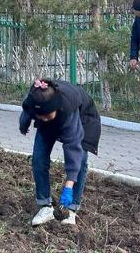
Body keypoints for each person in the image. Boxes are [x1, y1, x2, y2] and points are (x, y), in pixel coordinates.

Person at [19, 78, 101, 227]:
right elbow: (27, 109)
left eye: (47, 115)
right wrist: (23, 124)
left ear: (55, 108)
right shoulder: (35, 100)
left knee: (80, 159)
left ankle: (71, 209)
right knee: (39, 158)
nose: (43, 119)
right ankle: (45, 206)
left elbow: (73, 150)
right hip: (53, 115)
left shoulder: (68, 109)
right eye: (40, 116)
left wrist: (68, 186)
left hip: (84, 119)